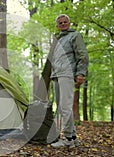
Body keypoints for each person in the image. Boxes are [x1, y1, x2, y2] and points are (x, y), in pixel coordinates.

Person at [49, 14, 89, 148]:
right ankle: (72, 138)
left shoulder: (75, 36)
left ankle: (67, 139)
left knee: (65, 107)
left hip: (67, 74)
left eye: (65, 22)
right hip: (56, 75)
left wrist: (80, 73)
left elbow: (82, 55)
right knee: (62, 107)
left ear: (69, 23)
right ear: (57, 25)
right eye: (60, 23)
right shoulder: (58, 39)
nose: (63, 24)